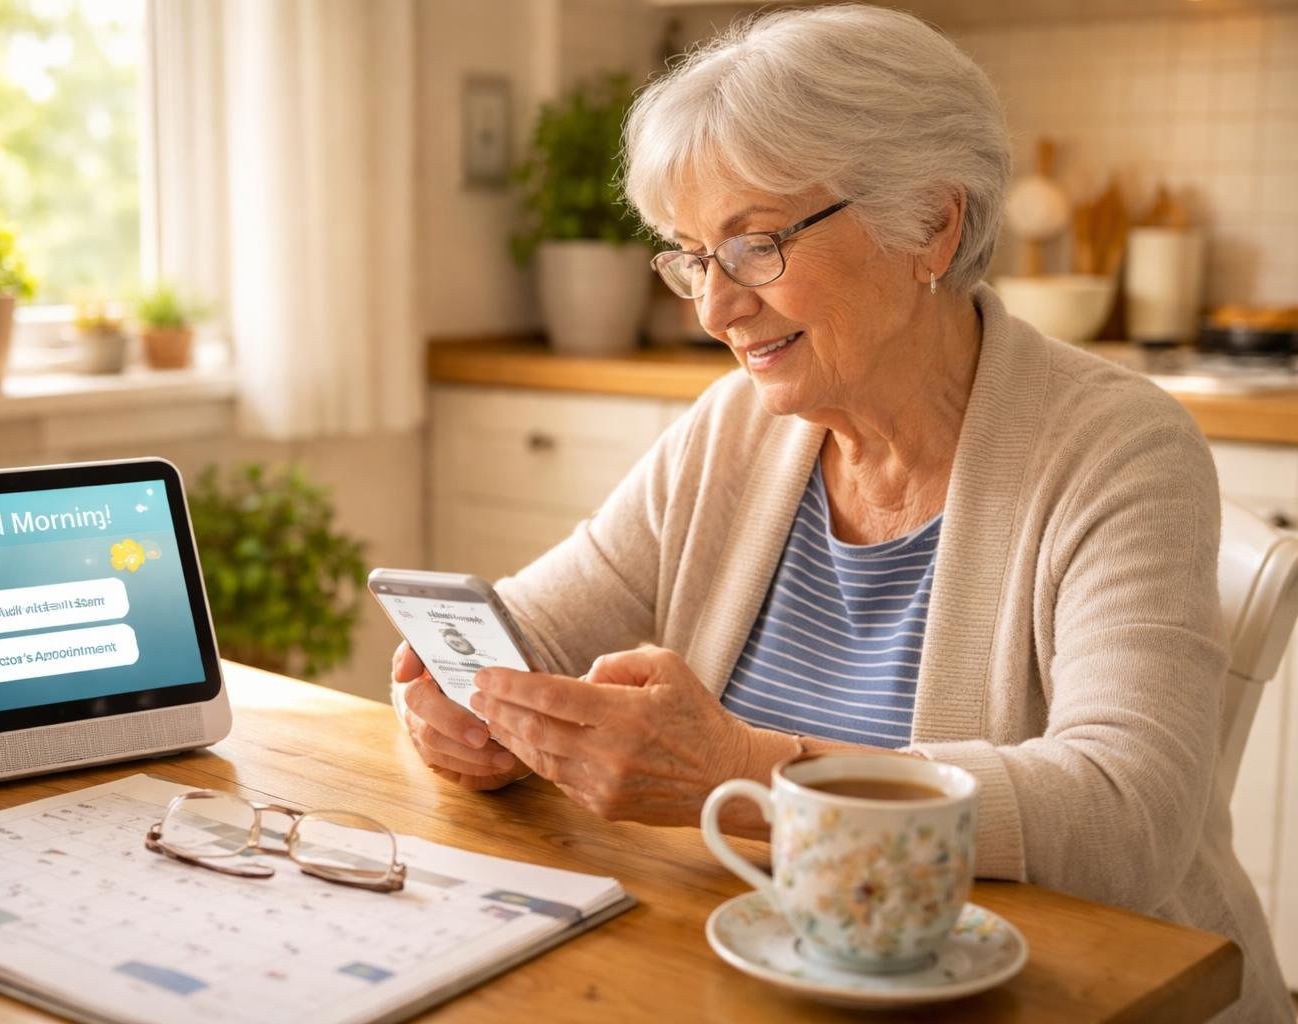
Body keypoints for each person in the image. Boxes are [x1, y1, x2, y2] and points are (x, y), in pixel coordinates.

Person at [392, 6, 1288, 1018]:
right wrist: (465, 705)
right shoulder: (732, 429)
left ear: (930, 225)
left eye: (755, 245)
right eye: (692, 256)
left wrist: (742, 773)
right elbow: (533, 629)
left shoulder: (1119, 447)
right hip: (777, 971)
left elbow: (1129, 815)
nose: (715, 309)